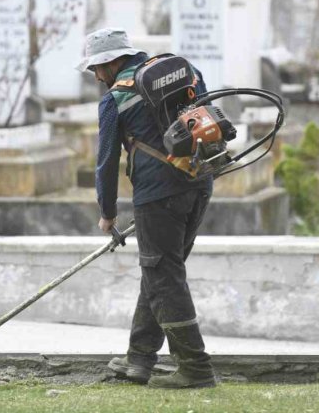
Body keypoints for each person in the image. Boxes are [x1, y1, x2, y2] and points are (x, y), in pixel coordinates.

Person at [76, 28, 216, 389]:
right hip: (199, 184)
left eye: (96, 68)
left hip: (157, 196)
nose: (95, 76)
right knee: (160, 273)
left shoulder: (114, 99)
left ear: (110, 62)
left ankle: (196, 369)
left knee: (164, 277)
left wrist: (108, 213)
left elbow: (107, 161)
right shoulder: (186, 71)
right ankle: (138, 360)